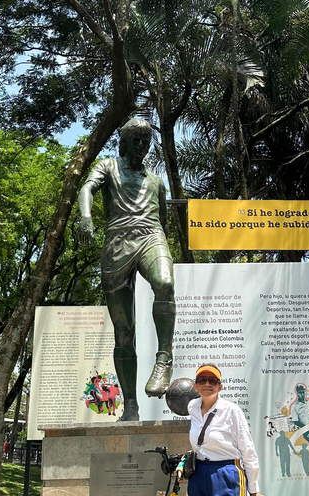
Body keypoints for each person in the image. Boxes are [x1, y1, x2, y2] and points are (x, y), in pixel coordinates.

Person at [77, 118, 176, 421]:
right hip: (117, 242)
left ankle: (164, 357)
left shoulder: (157, 182)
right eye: (137, 139)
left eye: (146, 140)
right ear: (124, 140)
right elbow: (87, 187)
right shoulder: (108, 167)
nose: (142, 145)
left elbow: (165, 221)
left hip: (150, 234)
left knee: (165, 283)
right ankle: (130, 404)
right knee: (123, 332)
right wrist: (85, 217)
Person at [182, 363, 262, 496]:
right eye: (202, 380)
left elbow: (247, 449)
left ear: (220, 387)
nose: (207, 384)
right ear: (195, 386)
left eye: (212, 381)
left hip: (226, 474)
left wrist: (253, 489)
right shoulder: (192, 407)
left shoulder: (231, 411)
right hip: (198, 474)